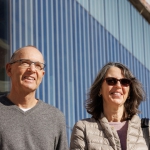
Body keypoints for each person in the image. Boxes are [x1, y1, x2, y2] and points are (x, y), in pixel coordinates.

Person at [0, 45, 68, 150]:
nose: (32, 69)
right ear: (9, 69)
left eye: (38, 65)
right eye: (25, 63)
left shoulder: (55, 117)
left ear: (42, 74)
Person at [70, 62, 149, 150]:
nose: (118, 86)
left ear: (129, 92)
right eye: (111, 81)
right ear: (100, 89)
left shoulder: (147, 128)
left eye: (124, 82)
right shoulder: (83, 128)